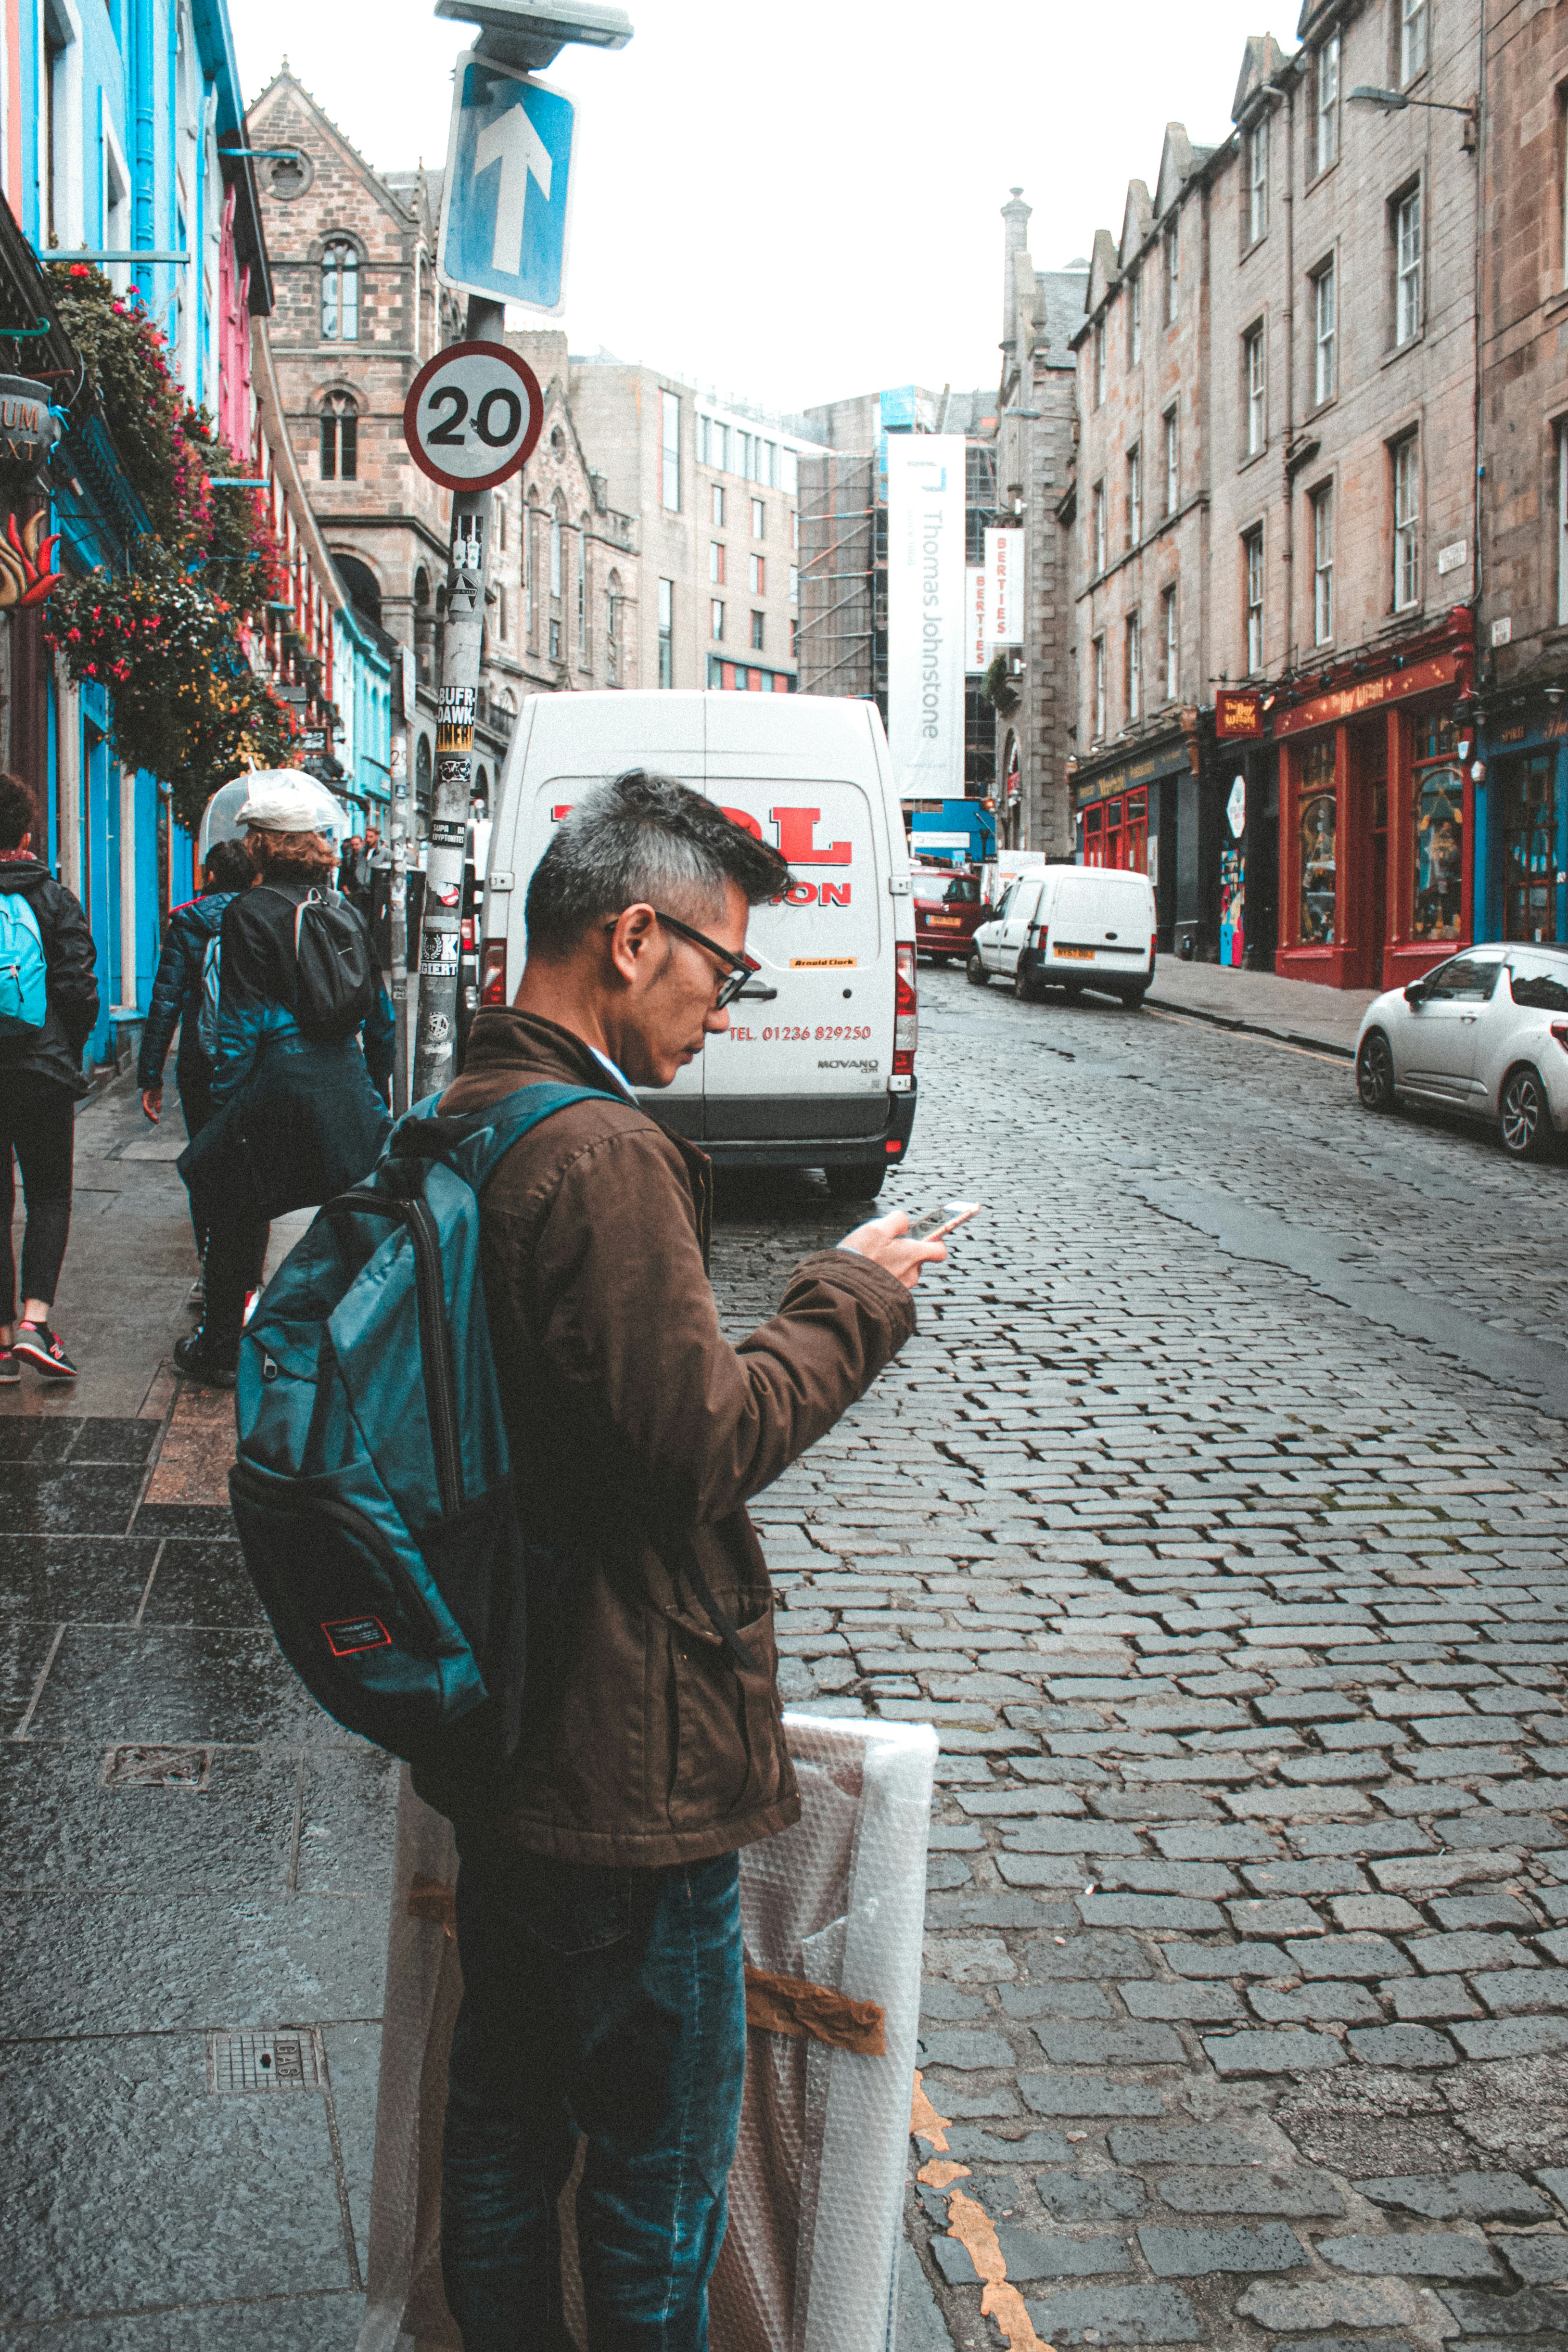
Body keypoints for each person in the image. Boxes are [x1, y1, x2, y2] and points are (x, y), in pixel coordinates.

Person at [421, 769, 943, 2351]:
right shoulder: (597, 1154)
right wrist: (845, 1292)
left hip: (500, 1710)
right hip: (623, 1756)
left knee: (504, 2123)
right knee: (655, 2174)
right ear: (632, 934)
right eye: (726, 964)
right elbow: (695, 1447)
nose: (729, 999)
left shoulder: (461, 1108)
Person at [174, 778, 395, 1388]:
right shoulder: (344, 908)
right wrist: (373, 1094)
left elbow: (239, 1025)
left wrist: (226, 1108)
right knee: (354, 1216)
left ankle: (220, 1346)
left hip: (277, 1078)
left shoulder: (250, 912)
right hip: (343, 1078)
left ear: (265, 846)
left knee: (230, 1204)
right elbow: (383, 1018)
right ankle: (360, 1344)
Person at [0, 772, 99, 1382]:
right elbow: (80, 989)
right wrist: (67, 1048)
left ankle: (1, 1340)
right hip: (43, 1070)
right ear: (30, 834)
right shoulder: (55, 899)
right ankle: (35, 1324)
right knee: (50, 1196)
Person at [138, 838, 257, 1286]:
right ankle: (247, 1278)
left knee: (205, 1166)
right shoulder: (261, 919)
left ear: (209, 876)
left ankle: (212, 1272)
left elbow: (165, 1002)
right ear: (253, 878)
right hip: (249, 1063)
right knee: (248, 1169)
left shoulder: (187, 923)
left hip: (199, 1065)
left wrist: (151, 1076)